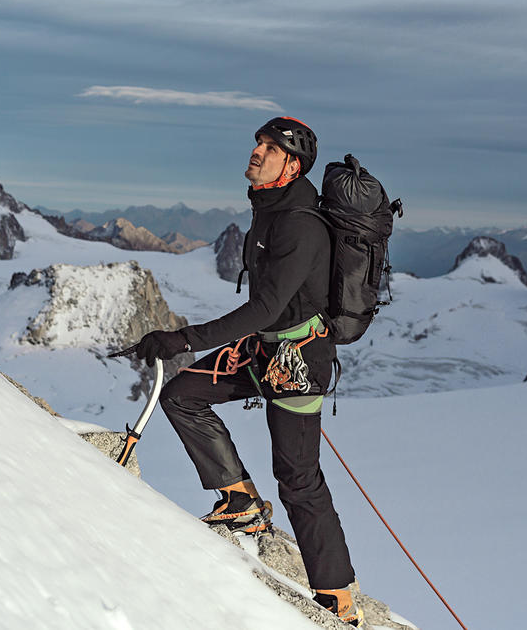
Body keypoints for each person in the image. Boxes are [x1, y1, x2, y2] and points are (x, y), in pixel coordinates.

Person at [135, 117, 362, 626]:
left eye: (270, 147)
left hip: (299, 363)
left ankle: (338, 597)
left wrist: (184, 339)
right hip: (263, 352)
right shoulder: (270, 209)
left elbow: (264, 307)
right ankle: (240, 499)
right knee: (182, 395)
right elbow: (267, 314)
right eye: (259, 142)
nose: (258, 151)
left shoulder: (299, 223)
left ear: (292, 163)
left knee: (298, 479)